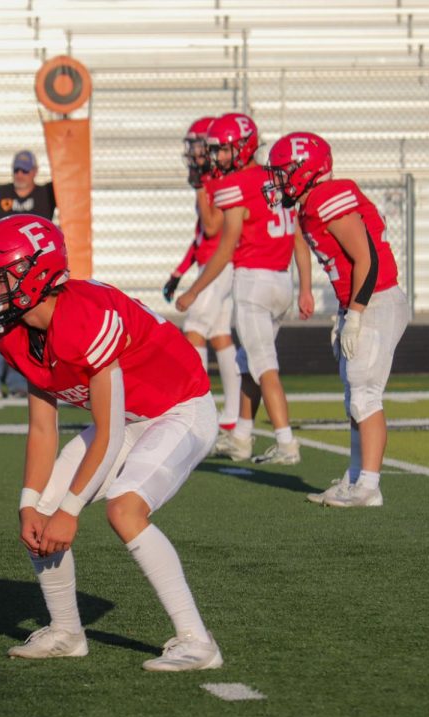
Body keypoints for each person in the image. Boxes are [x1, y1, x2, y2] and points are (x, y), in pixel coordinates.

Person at [0, 214, 222, 672]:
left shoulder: (85, 317)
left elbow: (106, 433)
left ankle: (197, 641)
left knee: (124, 509)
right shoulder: (15, 335)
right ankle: (66, 631)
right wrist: (31, 504)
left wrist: (71, 511)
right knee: (41, 514)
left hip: (179, 408)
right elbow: (43, 427)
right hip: (129, 417)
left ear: (36, 272)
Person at [265, 132, 409, 507]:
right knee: (353, 397)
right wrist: (344, 310)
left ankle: (370, 486)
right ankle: (356, 477)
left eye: (283, 172)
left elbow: (368, 259)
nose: (277, 180)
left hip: (376, 301)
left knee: (365, 395)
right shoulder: (310, 205)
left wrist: (356, 314)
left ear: (304, 171)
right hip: (360, 303)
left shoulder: (329, 198)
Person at [175, 113, 314, 465]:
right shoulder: (277, 177)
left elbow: (226, 246)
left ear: (242, 147)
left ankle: (286, 443)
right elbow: (299, 238)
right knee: (247, 361)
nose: (218, 158)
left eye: (223, 151)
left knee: (264, 365)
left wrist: (194, 290)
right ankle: (240, 437)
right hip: (283, 281)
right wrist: (305, 289)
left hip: (254, 283)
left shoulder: (236, 185)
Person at [161, 116, 242, 434]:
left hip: (218, 266)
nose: (193, 151)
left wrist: (199, 188)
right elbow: (200, 234)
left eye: (197, 144)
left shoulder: (219, 179)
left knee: (194, 329)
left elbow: (212, 225)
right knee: (220, 335)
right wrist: (179, 271)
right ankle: (231, 415)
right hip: (210, 263)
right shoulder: (212, 177)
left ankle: (198, 411)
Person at [0, 149, 56, 400]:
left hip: (33, 274)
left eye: (25, 170)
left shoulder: (46, 193)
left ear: (35, 172)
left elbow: (74, 193)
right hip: (2, 273)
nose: (20, 174)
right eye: (16, 169)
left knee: (29, 324)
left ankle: (20, 382)